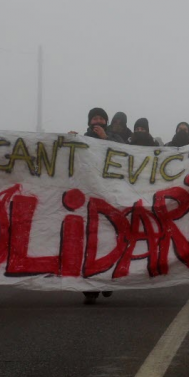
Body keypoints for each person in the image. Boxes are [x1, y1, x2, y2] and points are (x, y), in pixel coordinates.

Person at [81, 108, 124, 304]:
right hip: (87, 198)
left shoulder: (115, 137)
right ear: (89, 121)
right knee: (87, 243)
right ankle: (89, 289)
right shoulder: (81, 139)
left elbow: (124, 154)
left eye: (100, 118)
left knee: (108, 241)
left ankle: (107, 282)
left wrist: (105, 139)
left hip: (108, 198)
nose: (97, 121)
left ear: (106, 121)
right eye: (94, 118)